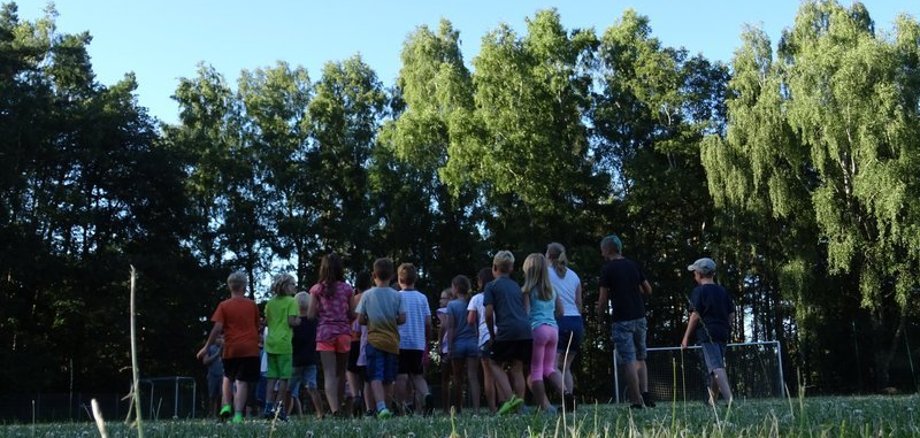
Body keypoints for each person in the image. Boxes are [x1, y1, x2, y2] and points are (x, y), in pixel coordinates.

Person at [595, 234, 654, 409]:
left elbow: (603, 298)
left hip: (622, 319)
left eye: (602, 250)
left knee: (628, 359)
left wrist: (599, 317)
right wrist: (634, 292)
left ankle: (636, 401)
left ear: (607, 250)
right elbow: (648, 290)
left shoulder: (608, 269)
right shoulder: (633, 265)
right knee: (641, 357)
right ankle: (646, 394)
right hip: (640, 316)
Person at [196, 271, 261, 424]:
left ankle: (226, 406)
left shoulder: (224, 306)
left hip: (231, 348)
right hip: (250, 348)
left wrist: (206, 347)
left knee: (227, 377)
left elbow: (217, 328)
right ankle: (238, 414)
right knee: (242, 381)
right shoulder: (252, 305)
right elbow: (257, 326)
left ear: (229, 287)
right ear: (244, 286)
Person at [355, 258, 407, 419]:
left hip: (374, 341)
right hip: (392, 342)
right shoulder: (396, 295)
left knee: (375, 375)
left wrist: (370, 319)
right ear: (392, 275)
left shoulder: (367, 295)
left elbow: (360, 319)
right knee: (389, 377)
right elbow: (403, 318)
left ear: (374, 275)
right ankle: (388, 407)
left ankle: (381, 407)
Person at [681, 257, 735, 405]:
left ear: (699, 274)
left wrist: (686, 338)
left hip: (707, 334)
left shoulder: (699, 291)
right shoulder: (722, 290)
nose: (694, 275)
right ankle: (712, 401)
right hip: (722, 333)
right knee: (715, 366)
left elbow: (695, 315)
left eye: (694, 272)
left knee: (716, 367)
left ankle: (730, 400)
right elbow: (731, 314)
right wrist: (727, 327)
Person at [308, 253, 355, 417]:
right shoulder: (347, 289)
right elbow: (353, 314)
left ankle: (334, 409)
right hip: (343, 333)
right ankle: (340, 407)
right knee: (341, 373)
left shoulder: (316, 289)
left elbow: (310, 315)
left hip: (324, 333)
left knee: (328, 373)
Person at [484, 250, 530, 415]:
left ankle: (510, 399)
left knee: (494, 363)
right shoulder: (516, 286)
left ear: (494, 267)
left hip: (507, 330)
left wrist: (491, 334)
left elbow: (488, 314)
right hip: (525, 330)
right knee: (517, 367)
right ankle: (521, 407)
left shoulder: (491, 286)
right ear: (511, 268)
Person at [522, 253, 565, 413]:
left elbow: (526, 314)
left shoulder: (527, 290)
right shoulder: (552, 290)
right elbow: (561, 311)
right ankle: (567, 394)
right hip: (553, 330)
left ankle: (545, 406)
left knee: (536, 371)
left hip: (537, 330)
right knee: (550, 368)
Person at [546, 242, 582, 410]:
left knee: (552, 367)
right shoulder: (574, 275)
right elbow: (579, 303)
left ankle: (567, 397)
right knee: (566, 366)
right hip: (576, 322)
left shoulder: (545, 274)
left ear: (548, 255)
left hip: (559, 320)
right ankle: (570, 403)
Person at [262, 273, 301, 420]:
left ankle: (267, 406)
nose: (295, 287)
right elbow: (291, 321)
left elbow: (266, 321)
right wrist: (299, 321)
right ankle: (279, 408)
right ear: (285, 286)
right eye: (293, 284)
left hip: (271, 343)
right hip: (284, 343)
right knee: (284, 378)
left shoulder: (270, 303)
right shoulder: (291, 302)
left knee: (271, 377)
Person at [395, 263, 432, 415]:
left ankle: (405, 405)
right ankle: (427, 395)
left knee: (401, 376)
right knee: (417, 375)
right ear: (415, 279)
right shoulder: (422, 298)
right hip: (418, 343)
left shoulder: (397, 297)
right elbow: (428, 322)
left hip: (401, 342)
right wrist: (426, 339)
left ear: (399, 279)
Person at [446, 275, 481, 414]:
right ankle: (477, 409)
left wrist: (448, 346)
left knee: (457, 378)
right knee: (473, 376)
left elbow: (450, 327)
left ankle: (458, 408)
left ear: (455, 288)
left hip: (458, 344)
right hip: (473, 342)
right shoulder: (473, 302)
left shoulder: (452, 305)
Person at [467, 267, 496, 413]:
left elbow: (471, 320)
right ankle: (507, 401)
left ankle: (492, 407)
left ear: (481, 281)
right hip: (502, 334)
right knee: (502, 371)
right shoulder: (499, 294)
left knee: (488, 374)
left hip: (485, 336)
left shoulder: (476, 298)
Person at [290, 291, 323, 418]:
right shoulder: (314, 322)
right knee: (312, 387)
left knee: (288, 389)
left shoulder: (294, 323)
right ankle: (320, 413)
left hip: (296, 359)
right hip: (311, 359)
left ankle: (283, 413)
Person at [346, 272, 374, 417]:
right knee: (367, 376)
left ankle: (355, 395)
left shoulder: (353, 299)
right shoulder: (371, 297)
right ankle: (369, 407)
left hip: (352, 339)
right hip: (367, 339)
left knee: (351, 370)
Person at [436, 288, 453, 414]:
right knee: (458, 379)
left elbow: (442, 326)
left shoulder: (441, 311)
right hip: (457, 346)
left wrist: (440, 343)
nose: (440, 301)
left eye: (443, 298)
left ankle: (446, 408)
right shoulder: (459, 309)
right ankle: (458, 406)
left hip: (446, 346)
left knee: (445, 379)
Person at [202, 334, 224, 418]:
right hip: (212, 375)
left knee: (222, 395)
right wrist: (217, 354)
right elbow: (205, 361)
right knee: (212, 396)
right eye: (218, 338)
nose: (220, 340)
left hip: (223, 375)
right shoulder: (209, 348)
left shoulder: (226, 349)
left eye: (222, 338)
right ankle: (212, 414)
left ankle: (222, 413)